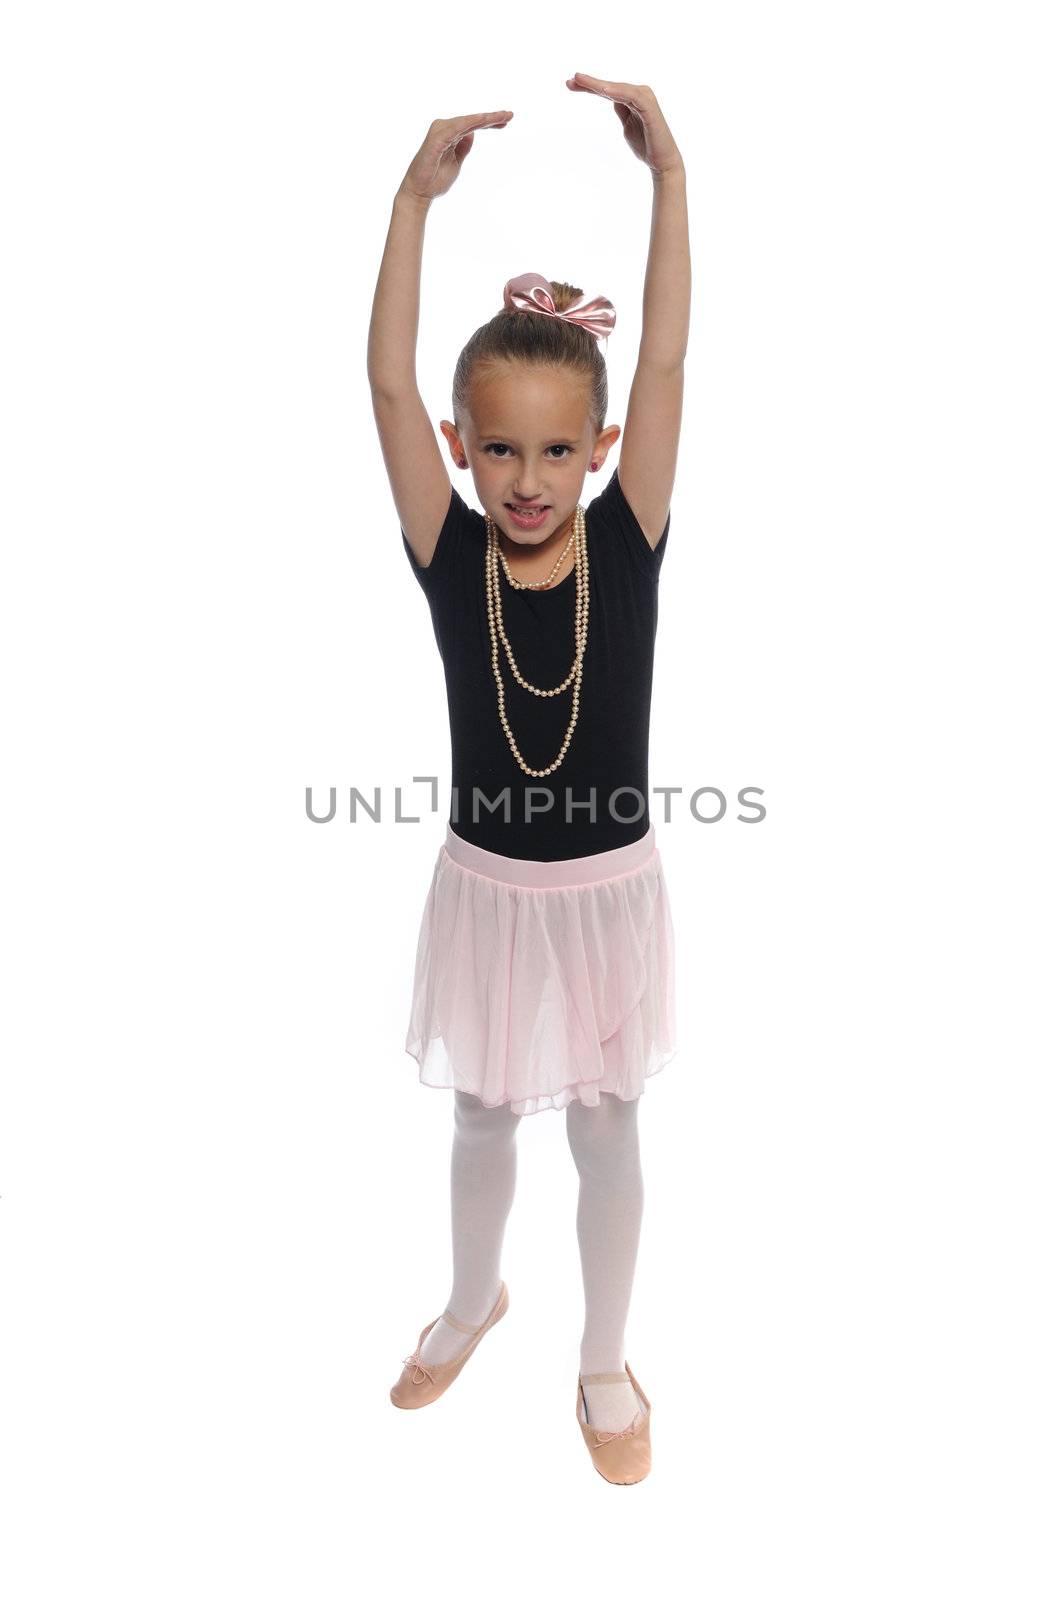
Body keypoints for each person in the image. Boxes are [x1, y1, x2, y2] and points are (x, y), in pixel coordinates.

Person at [366, 72, 690, 1484]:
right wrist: (410, 205)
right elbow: (383, 379)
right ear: (460, 445)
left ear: (603, 450)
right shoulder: (452, 556)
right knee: (484, 1111)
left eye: (559, 448)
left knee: (609, 1120)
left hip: (608, 890)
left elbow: (668, 364)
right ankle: (468, 1298)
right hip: (490, 891)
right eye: (499, 446)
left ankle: (605, 1358)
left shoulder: (627, 537)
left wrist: (669, 180)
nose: (528, 475)